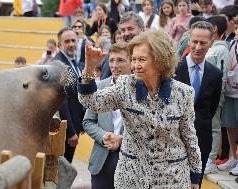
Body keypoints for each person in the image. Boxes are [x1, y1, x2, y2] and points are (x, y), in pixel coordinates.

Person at [78, 30, 202, 189]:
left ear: (160, 61)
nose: (135, 65)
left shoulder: (183, 93)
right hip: (131, 178)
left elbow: (190, 137)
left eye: (142, 59)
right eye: (133, 59)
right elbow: (91, 102)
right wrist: (89, 69)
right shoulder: (124, 86)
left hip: (173, 179)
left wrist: (195, 176)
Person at [175, 21, 222, 185]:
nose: (198, 47)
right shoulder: (172, 70)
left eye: (203, 42)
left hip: (201, 139)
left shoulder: (215, 74)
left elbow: (211, 108)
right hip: (172, 139)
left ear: (211, 43)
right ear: (189, 41)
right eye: (195, 41)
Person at [83, 42, 131, 189]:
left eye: (120, 60)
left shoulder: (142, 88)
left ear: (132, 62)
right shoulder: (100, 87)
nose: (114, 65)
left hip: (130, 160)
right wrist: (103, 136)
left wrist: (122, 139)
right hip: (102, 159)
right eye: (111, 60)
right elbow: (88, 122)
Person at [53, 28, 84, 163]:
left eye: (73, 40)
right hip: (66, 131)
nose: (71, 44)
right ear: (59, 45)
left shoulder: (72, 61)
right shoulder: (59, 65)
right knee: (62, 167)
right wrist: (70, 131)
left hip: (75, 124)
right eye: (67, 41)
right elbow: (61, 101)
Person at [203, 15, 230, 175]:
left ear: (214, 29)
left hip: (215, 95)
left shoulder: (221, 49)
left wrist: (217, 94)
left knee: (214, 127)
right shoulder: (210, 48)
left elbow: (222, 74)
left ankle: (211, 159)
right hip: (203, 95)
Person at [218, 15, 238, 176]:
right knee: (230, 125)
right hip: (231, 91)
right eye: (236, 28)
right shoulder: (231, 44)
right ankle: (233, 156)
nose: (237, 31)